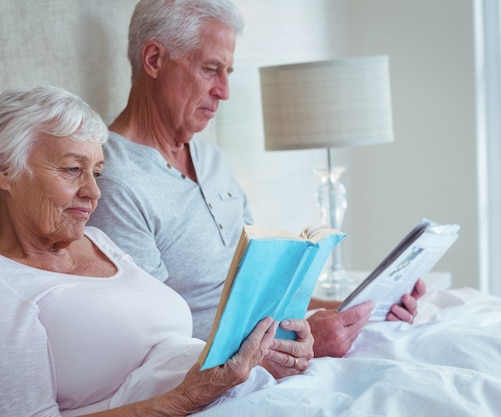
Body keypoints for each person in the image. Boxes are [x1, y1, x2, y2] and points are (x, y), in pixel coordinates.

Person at [0, 86, 312, 417]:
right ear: (3, 171)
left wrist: (263, 358)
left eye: (96, 173)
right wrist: (189, 397)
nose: (94, 193)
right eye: (73, 169)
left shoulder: (100, 242)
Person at [87, 0, 427, 358]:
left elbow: (261, 290)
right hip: (222, 375)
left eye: (228, 72)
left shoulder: (212, 158)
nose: (224, 90)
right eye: (210, 68)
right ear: (154, 59)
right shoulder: (114, 182)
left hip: (269, 344)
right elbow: (157, 347)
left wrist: (354, 310)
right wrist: (301, 339)